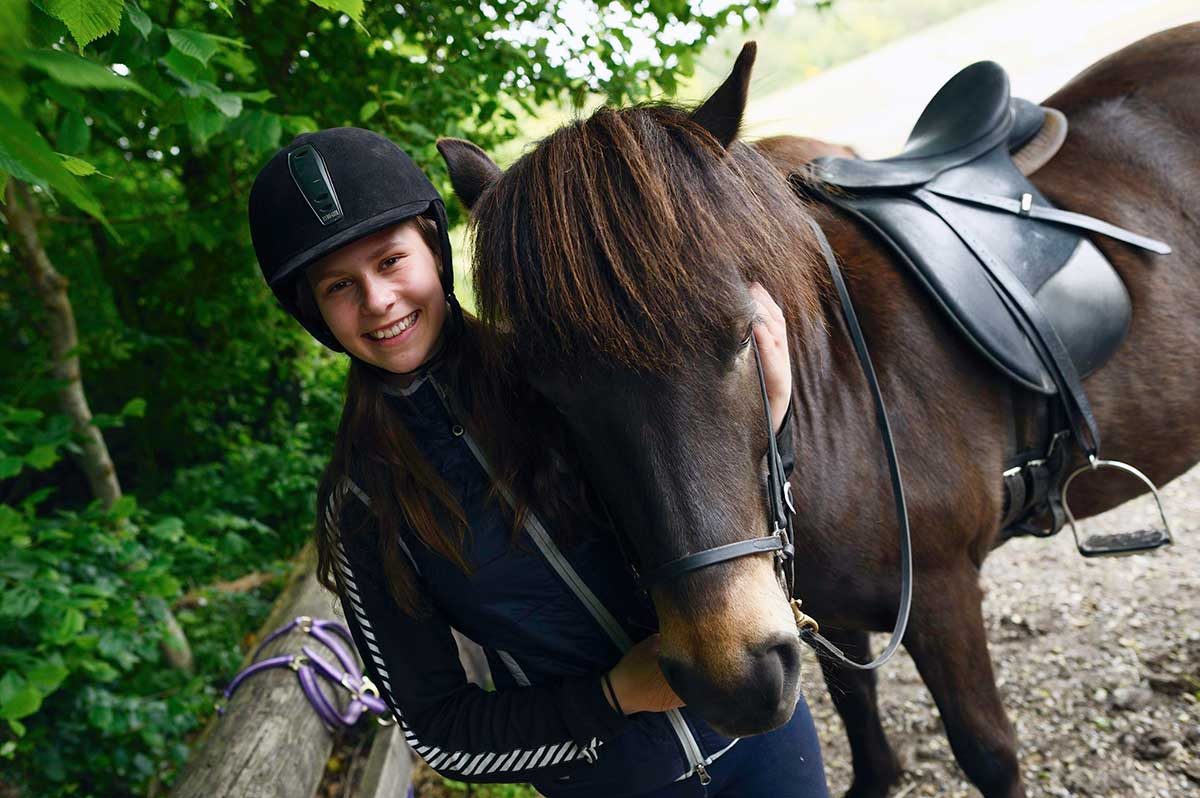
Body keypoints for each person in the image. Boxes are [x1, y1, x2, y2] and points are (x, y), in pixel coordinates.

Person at [247, 127, 829, 797]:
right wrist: (612, 698)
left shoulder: (564, 375)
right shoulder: (363, 502)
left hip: (763, 744)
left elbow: (707, 509)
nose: (377, 301)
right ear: (316, 316)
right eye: (338, 287)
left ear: (434, 249)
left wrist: (774, 420)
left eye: (388, 261)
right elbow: (441, 732)